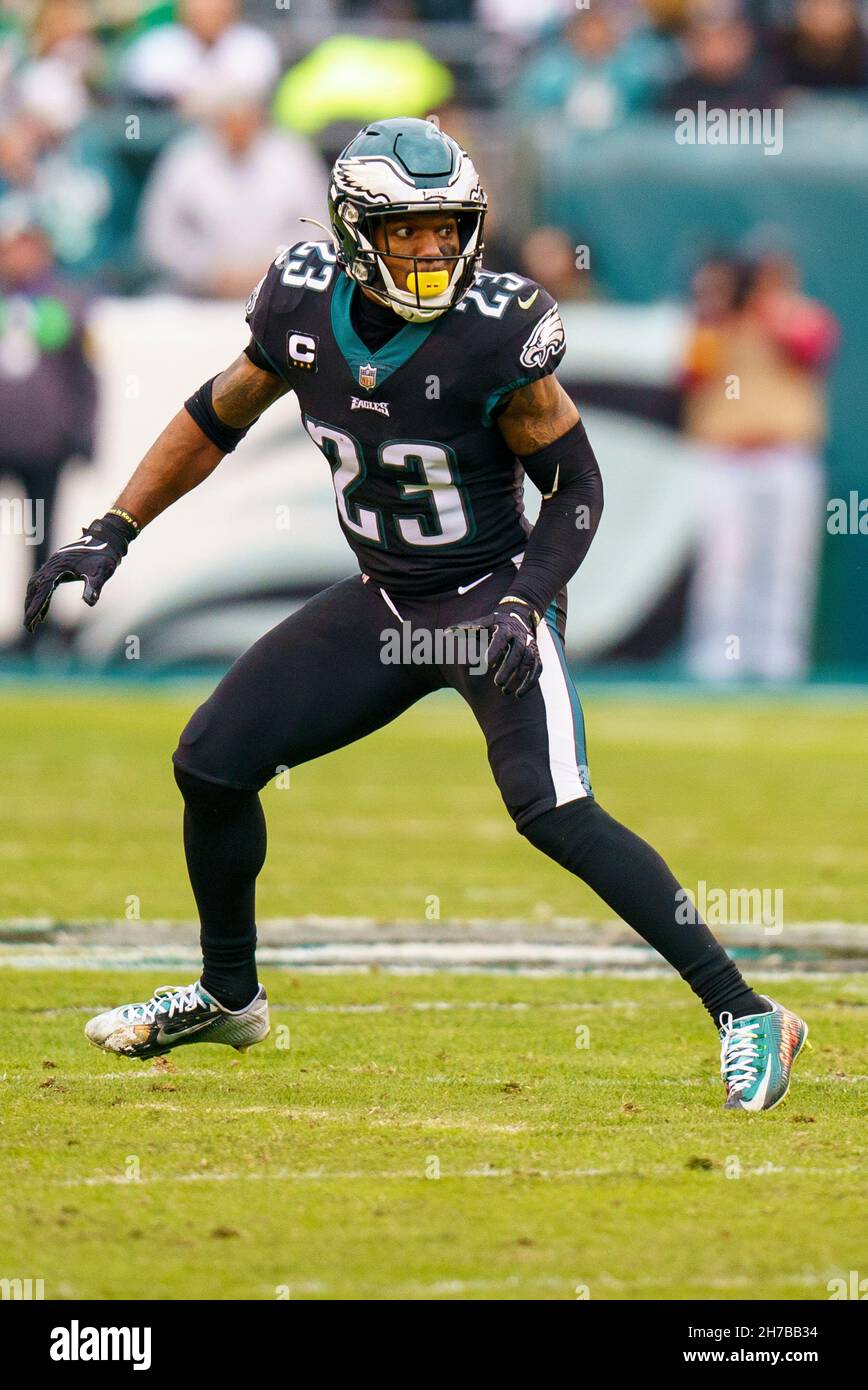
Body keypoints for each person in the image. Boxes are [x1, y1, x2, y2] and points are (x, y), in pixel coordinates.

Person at [24, 118, 808, 1113]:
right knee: (210, 762)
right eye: (407, 230)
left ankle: (746, 1010)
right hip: (385, 599)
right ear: (357, 231)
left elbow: (574, 487)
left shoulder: (493, 329)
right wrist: (115, 524)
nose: (433, 248)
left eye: (446, 227)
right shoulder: (302, 299)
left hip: (486, 597)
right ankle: (230, 994)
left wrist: (526, 601)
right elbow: (218, 412)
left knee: (552, 808)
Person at [681, 247, 838, 681]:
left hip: (786, 457)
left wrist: (764, 306)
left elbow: (810, 349)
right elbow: (689, 375)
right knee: (723, 561)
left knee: (787, 563)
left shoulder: (802, 314)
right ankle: (718, 658)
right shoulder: (713, 323)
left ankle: (780, 661)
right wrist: (722, 312)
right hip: (725, 459)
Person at [0, 196, 96, 649]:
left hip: (43, 443)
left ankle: (37, 623)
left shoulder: (66, 301)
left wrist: (82, 433)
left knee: (42, 537)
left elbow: (86, 375)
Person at [138, 89, 328, 299]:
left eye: (246, 120)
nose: (238, 130)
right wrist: (208, 271)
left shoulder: (292, 155)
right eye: (229, 121)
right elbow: (160, 235)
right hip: (198, 294)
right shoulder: (185, 158)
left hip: (284, 291)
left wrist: (274, 265)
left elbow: (318, 227)